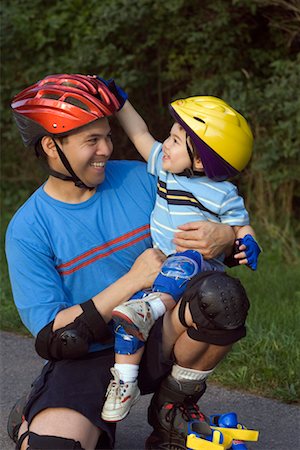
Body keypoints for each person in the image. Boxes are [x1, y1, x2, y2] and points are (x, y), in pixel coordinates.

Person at [6, 73, 248, 450]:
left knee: (220, 297)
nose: (106, 148)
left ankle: (173, 411)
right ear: (53, 146)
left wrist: (225, 237)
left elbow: (219, 217)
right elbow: (54, 336)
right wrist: (133, 280)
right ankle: (38, 410)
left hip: (157, 336)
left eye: (107, 135)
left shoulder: (139, 179)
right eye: (92, 140)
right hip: (87, 356)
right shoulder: (29, 228)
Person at [100, 87, 261, 424]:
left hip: (198, 271)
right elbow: (138, 132)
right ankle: (124, 383)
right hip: (163, 275)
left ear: (202, 159)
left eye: (175, 140)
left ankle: (154, 309)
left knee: (180, 262)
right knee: (129, 323)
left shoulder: (223, 195)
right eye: (170, 137)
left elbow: (241, 226)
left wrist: (249, 244)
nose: (165, 144)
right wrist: (121, 102)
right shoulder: (165, 167)